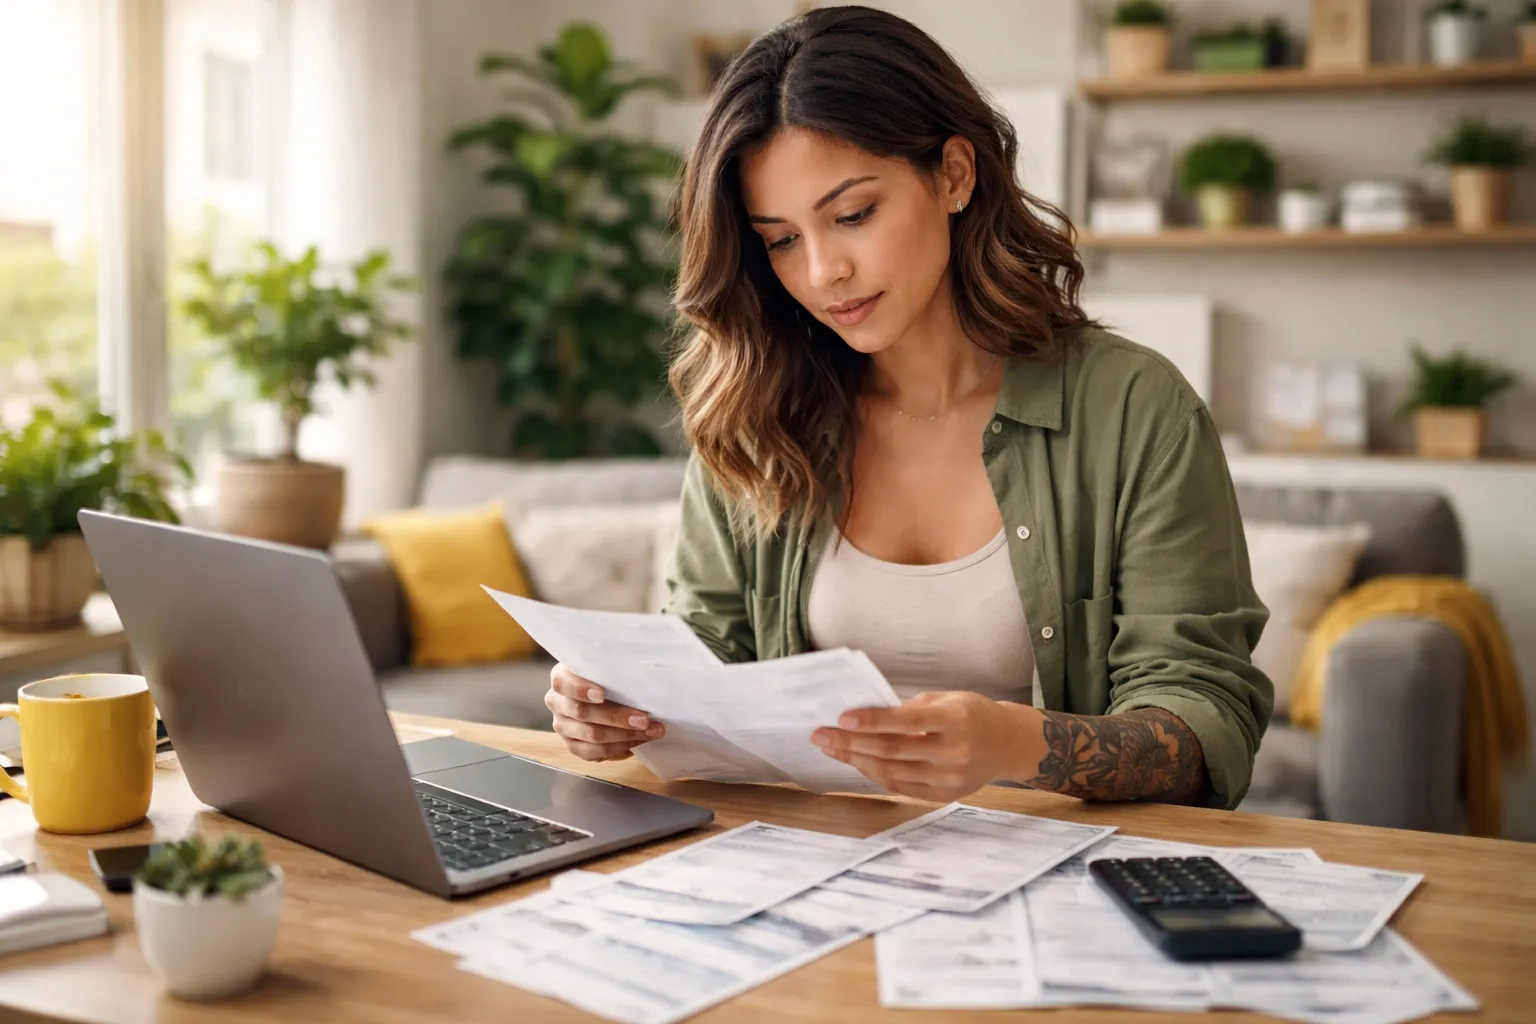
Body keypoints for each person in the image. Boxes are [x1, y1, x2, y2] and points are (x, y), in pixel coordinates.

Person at [543, 5, 1272, 810]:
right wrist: (618, 708)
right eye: (780, 239)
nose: (824, 271)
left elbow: (1208, 723)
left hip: (1061, 882)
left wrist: (1017, 743)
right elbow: (704, 651)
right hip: (810, 872)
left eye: (853, 214)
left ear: (955, 175)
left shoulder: (1135, 407)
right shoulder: (755, 408)